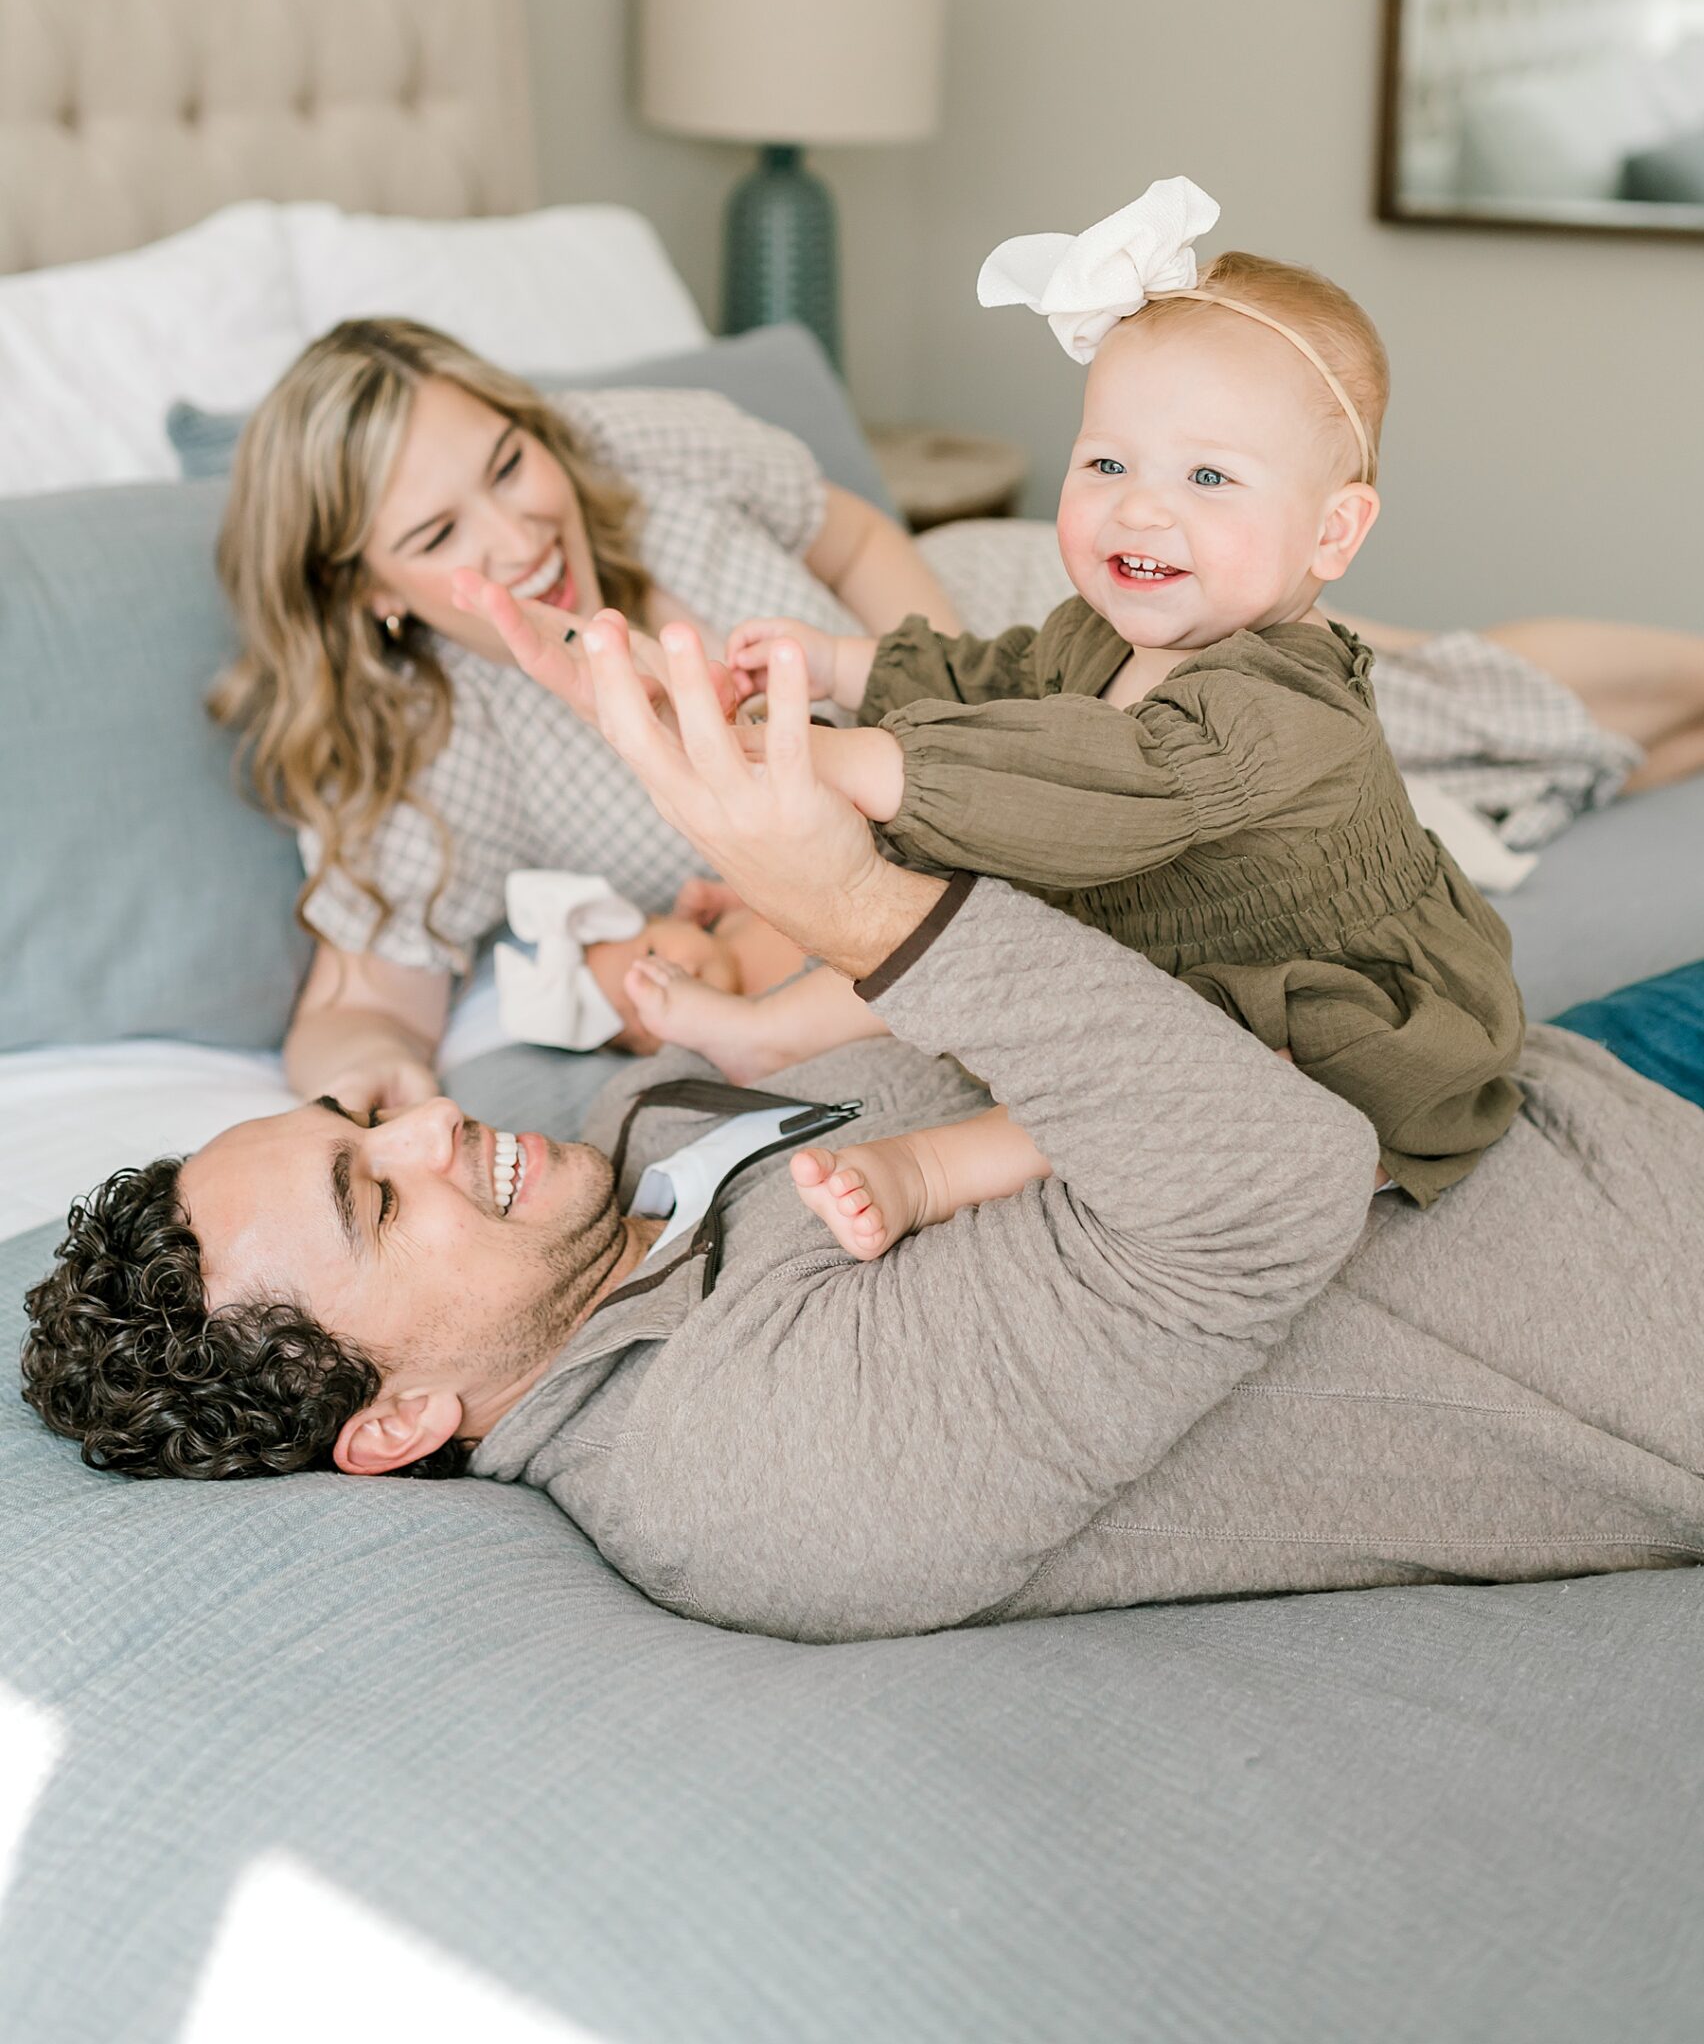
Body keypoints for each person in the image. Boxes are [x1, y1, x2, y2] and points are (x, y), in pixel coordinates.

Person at [21, 617, 1704, 1645]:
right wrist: (852, 903)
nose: (429, 1129)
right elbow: (1271, 1181)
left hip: (1559, 1069)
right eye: (374, 1206)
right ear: (394, 1424)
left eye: (359, 1125)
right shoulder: (747, 1472)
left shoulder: (642, 1120)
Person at [468, 183, 1525, 1250]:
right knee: (965, 908)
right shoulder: (1098, 637)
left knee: (1188, 1071)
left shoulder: (1287, 707)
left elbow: (1109, 778)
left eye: (1209, 475)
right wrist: (841, 663)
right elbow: (992, 680)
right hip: (1155, 951)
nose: (1141, 505)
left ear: (1332, 535)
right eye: (1108, 462)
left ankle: (930, 1169)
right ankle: (767, 1031)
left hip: (1321, 1008)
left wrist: (859, 760)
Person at [211, 316, 962, 1118]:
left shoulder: (633, 450)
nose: (518, 536)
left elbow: (850, 543)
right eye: (437, 534)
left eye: (507, 465)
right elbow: (364, 1007)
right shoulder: (443, 735)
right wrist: (370, 1070)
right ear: (371, 591)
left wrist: (972, 720)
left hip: (988, 641)